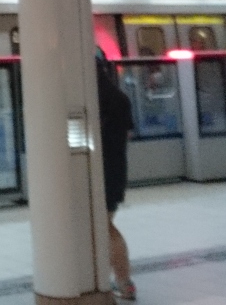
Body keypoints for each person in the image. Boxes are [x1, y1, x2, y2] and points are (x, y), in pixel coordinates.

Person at [97, 48, 136, 300]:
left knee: (103, 228)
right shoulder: (120, 99)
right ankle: (119, 282)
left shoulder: (88, 100)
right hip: (116, 170)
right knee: (105, 225)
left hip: (96, 173)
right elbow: (127, 134)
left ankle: (124, 282)